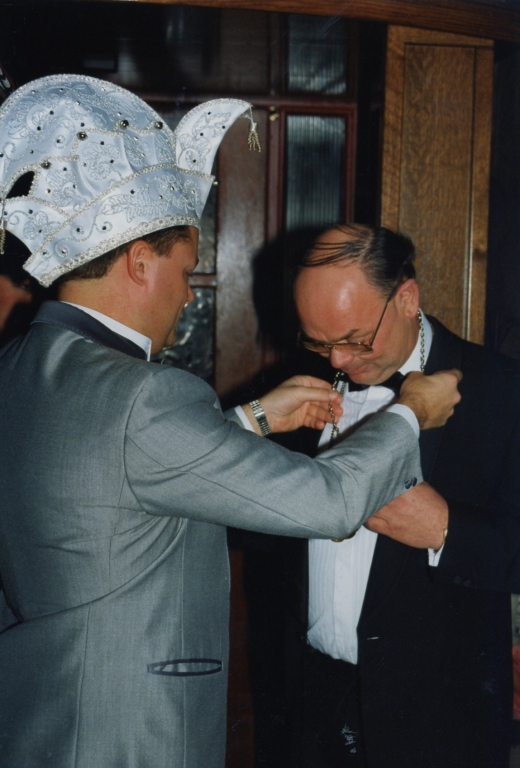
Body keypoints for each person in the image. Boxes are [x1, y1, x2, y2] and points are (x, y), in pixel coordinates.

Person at [0, 77, 460, 768]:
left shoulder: (19, 364)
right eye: (187, 270)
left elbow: (117, 478)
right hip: (128, 732)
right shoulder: (144, 395)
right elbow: (328, 502)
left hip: (45, 715)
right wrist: (411, 412)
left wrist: (250, 419)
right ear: (139, 262)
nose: (189, 295)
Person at [272, 223, 520, 768]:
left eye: (356, 339)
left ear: (407, 299)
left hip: (436, 722)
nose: (337, 361)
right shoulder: (297, 389)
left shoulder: (502, 390)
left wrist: (447, 531)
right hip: (313, 705)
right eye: (319, 342)